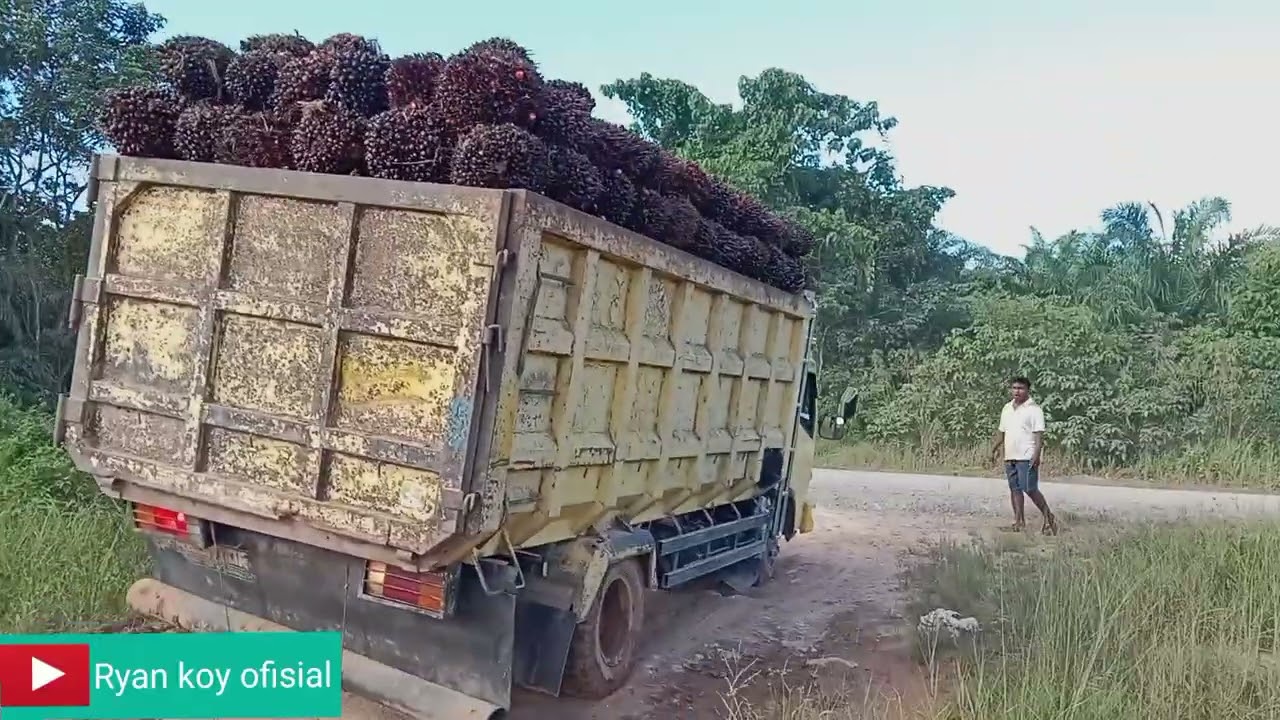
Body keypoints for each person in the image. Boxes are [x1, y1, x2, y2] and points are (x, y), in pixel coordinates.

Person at [990, 376, 1058, 535]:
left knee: (1030, 488)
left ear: (1027, 390)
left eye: (1020, 388)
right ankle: (1018, 522)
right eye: (1014, 388)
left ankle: (1049, 517)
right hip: (1010, 454)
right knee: (1015, 489)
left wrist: (1037, 454)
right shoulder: (1007, 408)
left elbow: (1038, 435)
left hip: (1026, 455)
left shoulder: (1034, 409)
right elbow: (1002, 432)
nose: (1016, 391)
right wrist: (994, 449)